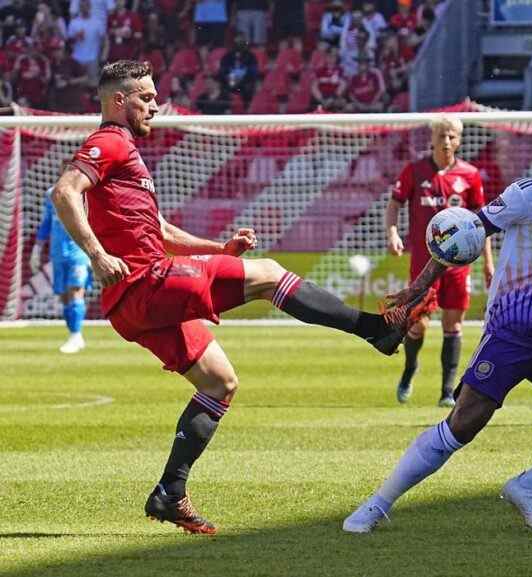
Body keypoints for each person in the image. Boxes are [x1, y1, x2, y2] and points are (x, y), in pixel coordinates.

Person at [50, 60, 424, 535]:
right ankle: (377, 329)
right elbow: (64, 192)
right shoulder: (109, 142)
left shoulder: (125, 154)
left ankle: (170, 491)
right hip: (147, 283)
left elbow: (160, 230)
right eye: (145, 96)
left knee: (219, 383)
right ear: (118, 101)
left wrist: (218, 250)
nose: (155, 105)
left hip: (134, 303)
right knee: (268, 275)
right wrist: (98, 255)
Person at [343, 119, 532, 535]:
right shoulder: (530, 195)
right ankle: (378, 502)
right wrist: (418, 287)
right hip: (510, 336)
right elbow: (463, 233)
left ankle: (530, 485)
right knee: (461, 426)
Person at [386, 116, 494, 407]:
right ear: (431, 139)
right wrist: (393, 232)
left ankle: (447, 390)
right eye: (442, 135)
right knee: (417, 325)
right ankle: (410, 369)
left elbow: (483, 223)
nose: (447, 141)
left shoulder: (470, 176)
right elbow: (395, 203)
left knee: (453, 325)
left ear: (459, 140)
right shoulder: (415, 170)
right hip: (423, 265)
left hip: (458, 267)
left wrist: (488, 263)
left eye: (453, 136)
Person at [29, 163, 93, 354]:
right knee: (64, 296)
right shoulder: (51, 194)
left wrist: (94, 252)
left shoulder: (86, 195)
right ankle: (74, 334)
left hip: (79, 252)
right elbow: (47, 223)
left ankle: (76, 335)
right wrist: (37, 249)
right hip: (58, 252)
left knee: (75, 290)